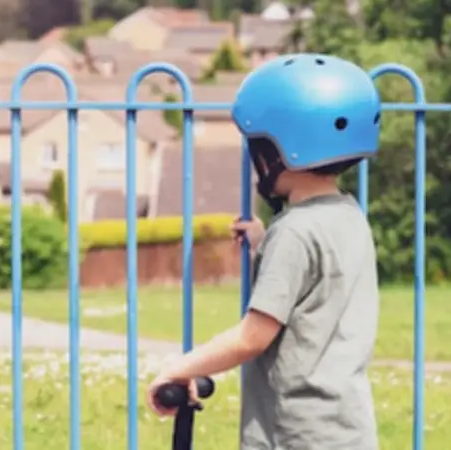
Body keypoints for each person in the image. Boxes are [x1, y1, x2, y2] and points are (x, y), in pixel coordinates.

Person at [146, 53, 383, 450]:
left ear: (282, 150)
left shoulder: (294, 232)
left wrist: (180, 367)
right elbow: (319, 275)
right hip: (346, 430)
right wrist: (265, 241)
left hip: (295, 434)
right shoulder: (347, 215)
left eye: (258, 146)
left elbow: (251, 338)